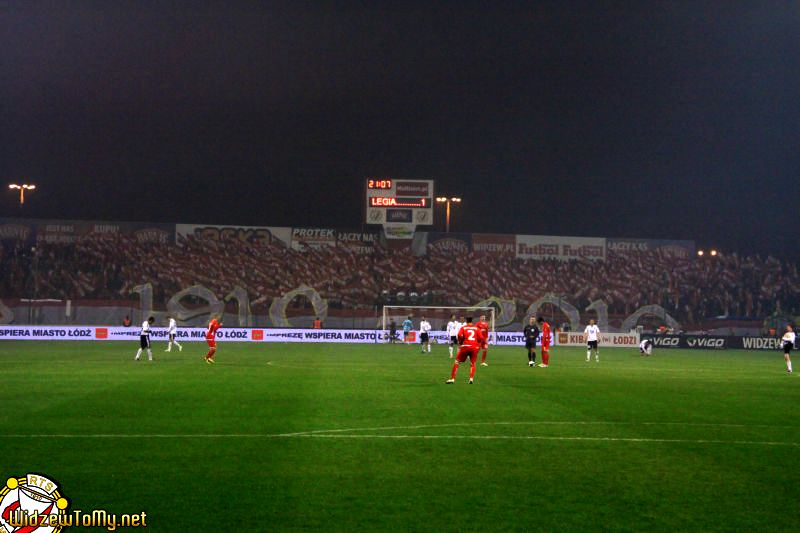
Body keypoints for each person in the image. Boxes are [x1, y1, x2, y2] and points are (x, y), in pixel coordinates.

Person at [446, 317, 486, 384]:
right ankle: (471, 379)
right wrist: (477, 344)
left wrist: (460, 342)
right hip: (474, 347)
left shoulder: (464, 327)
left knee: (457, 362)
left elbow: (459, 335)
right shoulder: (476, 328)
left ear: (466, 321)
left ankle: (452, 379)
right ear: (472, 321)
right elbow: (481, 338)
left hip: (466, 346)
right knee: (473, 363)